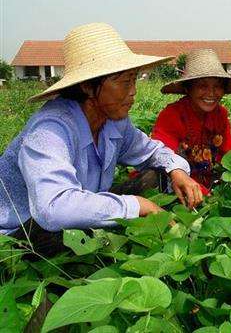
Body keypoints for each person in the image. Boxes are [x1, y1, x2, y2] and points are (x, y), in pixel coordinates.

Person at [0, 23, 201, 252]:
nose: (133, 91)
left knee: (156, 175)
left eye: (134, 79)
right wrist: (137, 206)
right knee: (73, 228)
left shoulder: (113, 121)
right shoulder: (50, 130)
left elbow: (152, 152)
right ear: (87, 86)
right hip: (19, 234)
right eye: (124, 82)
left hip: (73, 212)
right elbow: (53, 208)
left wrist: (177, 170)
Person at [151, 49, 231, 195]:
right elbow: (163, 160)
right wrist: (203, 194)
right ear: (188, 88)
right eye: (203, 86)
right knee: (153, 179)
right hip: (176, 185)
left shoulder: (220, 115)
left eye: (218, 86)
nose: (211, 93)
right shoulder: (171, 116)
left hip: (208, 184)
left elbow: (228, 155)